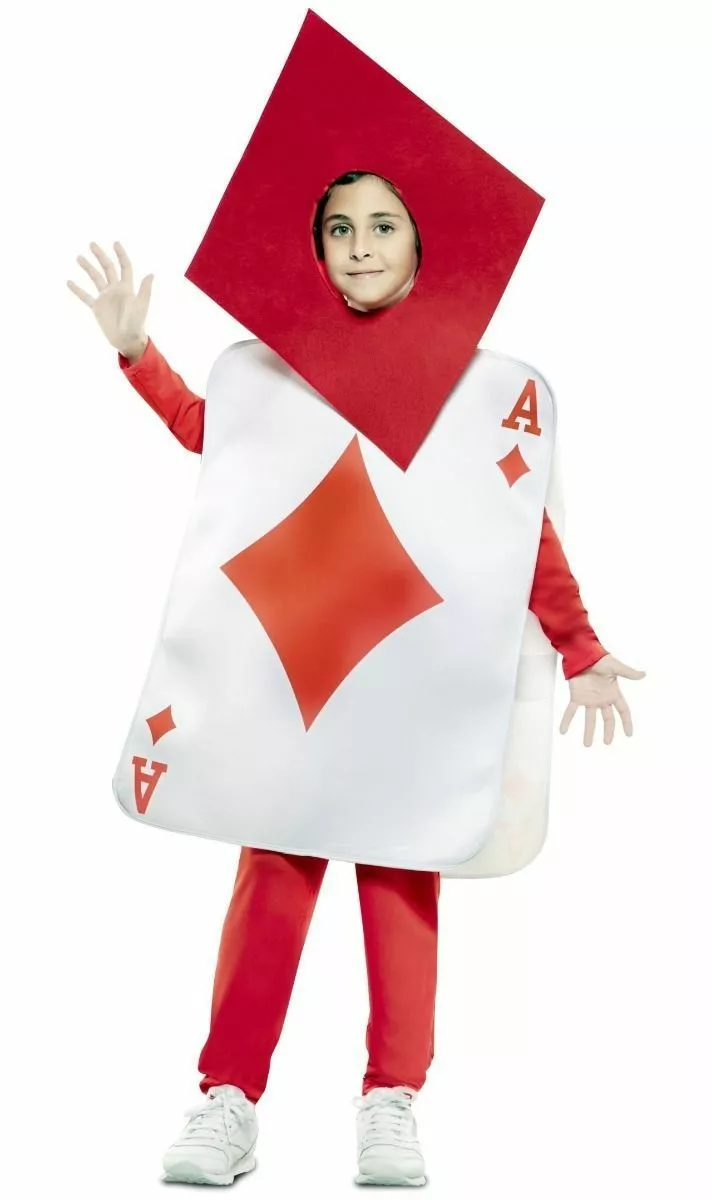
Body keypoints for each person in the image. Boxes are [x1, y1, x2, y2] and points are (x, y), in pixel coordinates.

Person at [67, 171, 645, 1188]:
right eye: (339, 227)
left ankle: (392, 1101)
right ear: (317, 247)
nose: (361, 244)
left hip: (407, 685)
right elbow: (213, 432)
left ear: (422, 244)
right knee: (273, 877)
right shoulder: (277, 372)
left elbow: (519, 527)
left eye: (382, 225)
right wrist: (136, 353)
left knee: (400, 881)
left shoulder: (471, 392)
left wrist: (581, 647)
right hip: (294, 673)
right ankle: (229, 1097)